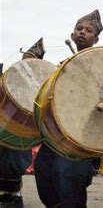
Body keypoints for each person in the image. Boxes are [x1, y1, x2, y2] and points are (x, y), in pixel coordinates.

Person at [34, 10, 103, 208]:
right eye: (79, 29)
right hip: (56, 132)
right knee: (43, 171)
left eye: (88, 30)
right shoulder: (62, 65)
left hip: (81, 135)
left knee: (68, 178)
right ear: (72, 35)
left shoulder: (102, 63)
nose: (82, 32)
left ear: (96, 39)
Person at [0, 38, 45, 208]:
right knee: (3, 163)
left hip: (23, 129)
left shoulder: (41, 82)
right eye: (24, 58)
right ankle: (6, 197)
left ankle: (15, 196)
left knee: (13, 164)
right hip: (6, 124)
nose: (26, 61)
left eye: (30, 59)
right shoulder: (11, 77)